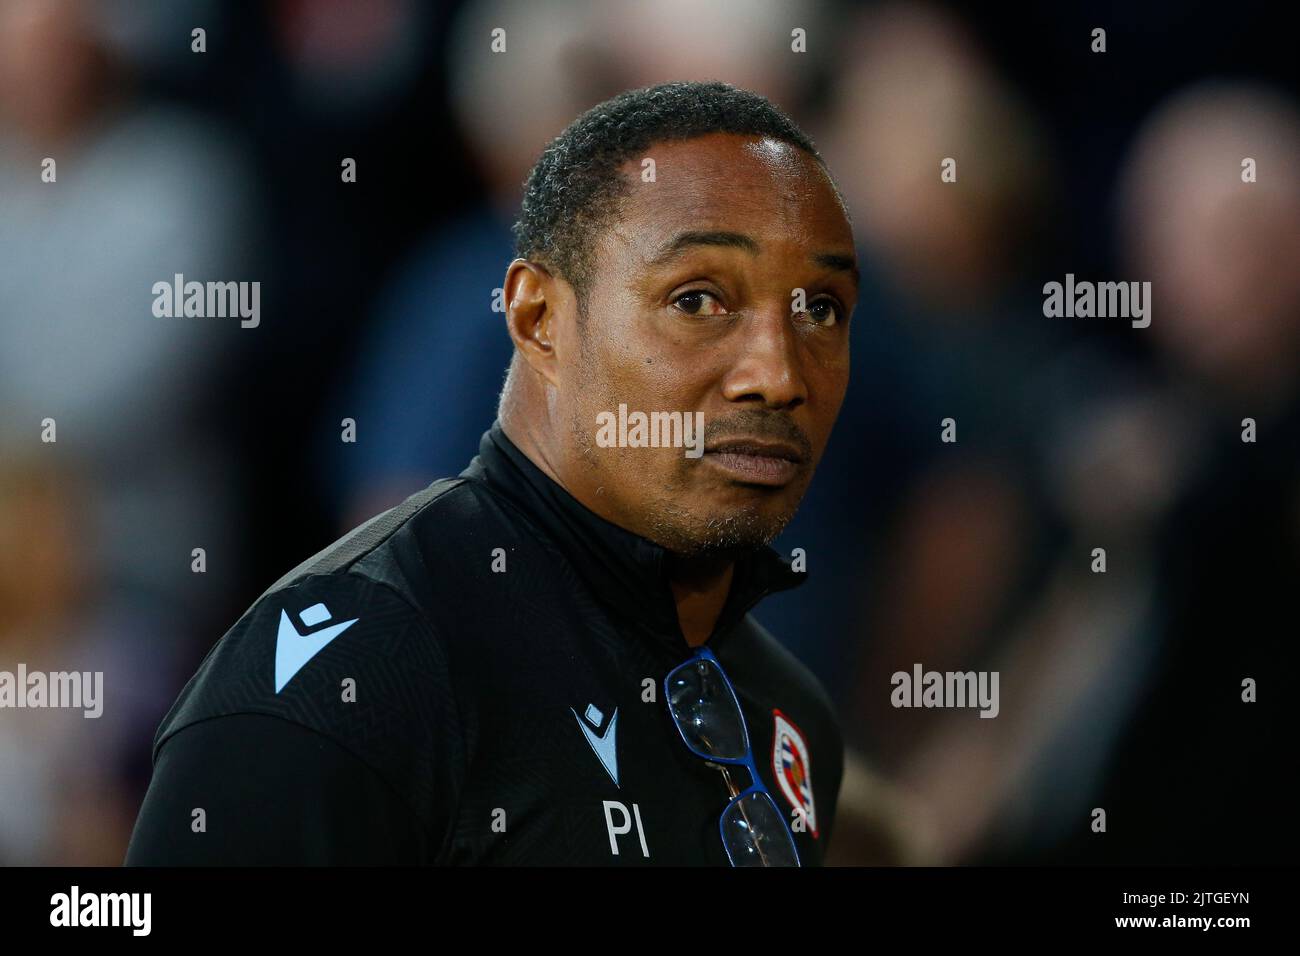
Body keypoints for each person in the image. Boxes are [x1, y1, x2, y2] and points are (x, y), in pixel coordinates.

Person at [125, 81, 856, 866]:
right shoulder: (357, 670)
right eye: (698, 298)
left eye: (820, 308)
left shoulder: (788, 716)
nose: (778, 374)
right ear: (539, 319)